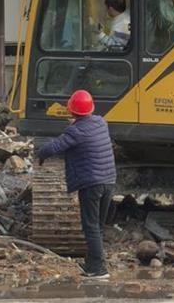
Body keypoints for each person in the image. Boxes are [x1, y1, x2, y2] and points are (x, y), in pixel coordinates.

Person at [35, 89, 117, 281]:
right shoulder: (101, 122)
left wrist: (41, 154)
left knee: (90, 226)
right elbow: (85, 129)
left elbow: (55, 147)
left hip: (91, 184)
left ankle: (98, 269)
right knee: (98, 225)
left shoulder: (75, 131)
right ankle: (92, 263)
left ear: (72, 111)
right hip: (109, 181)